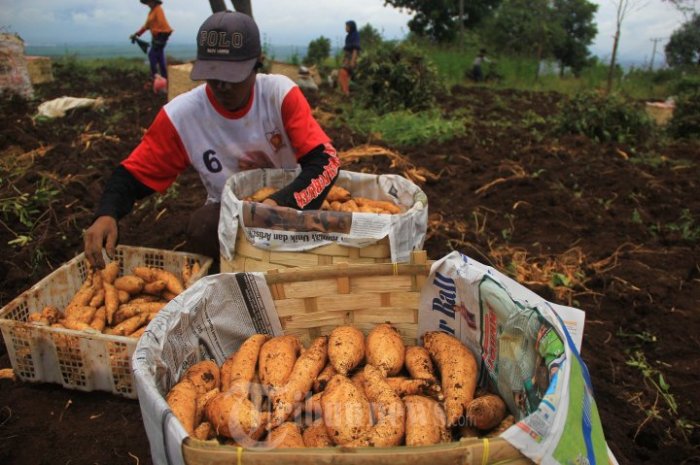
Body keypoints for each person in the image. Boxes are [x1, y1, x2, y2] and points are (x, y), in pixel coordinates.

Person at [85, 11, 340, 268]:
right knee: (202, 227)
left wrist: (278, 205)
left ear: (257, 64)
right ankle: (233, 270)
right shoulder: (182, 116)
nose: (222, 86)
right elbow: (133, 175)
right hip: (231, 216)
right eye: (214, 75)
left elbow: (326, 162)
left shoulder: (279, 94)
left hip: (294, 205)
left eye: (233, 76)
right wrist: (107, 213)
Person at [130, 0, 173, 82]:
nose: (148, 4)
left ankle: (156, 78)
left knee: (152, 55)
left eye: (149, 2)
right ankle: (165, 80)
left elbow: (162, 24)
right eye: (147, 2)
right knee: (160, 58)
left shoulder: (158, 9)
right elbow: (146, 26)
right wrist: (137, 34)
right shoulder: (151, 12)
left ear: (154, 1)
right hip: (156, 38)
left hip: (161, 37)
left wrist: (162, 38)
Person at [338, 20, 360, 96]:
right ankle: (346, 91)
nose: (345, 28)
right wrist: (344, 60)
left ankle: (346, 92)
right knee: (344, 73)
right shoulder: (348, 36)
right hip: (347, 58)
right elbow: (347, 51)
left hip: (353, 58)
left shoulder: (355, 35)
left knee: (343, 72)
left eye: (347, 26)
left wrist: (353, 61)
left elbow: (355, 49)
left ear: (351, 27)